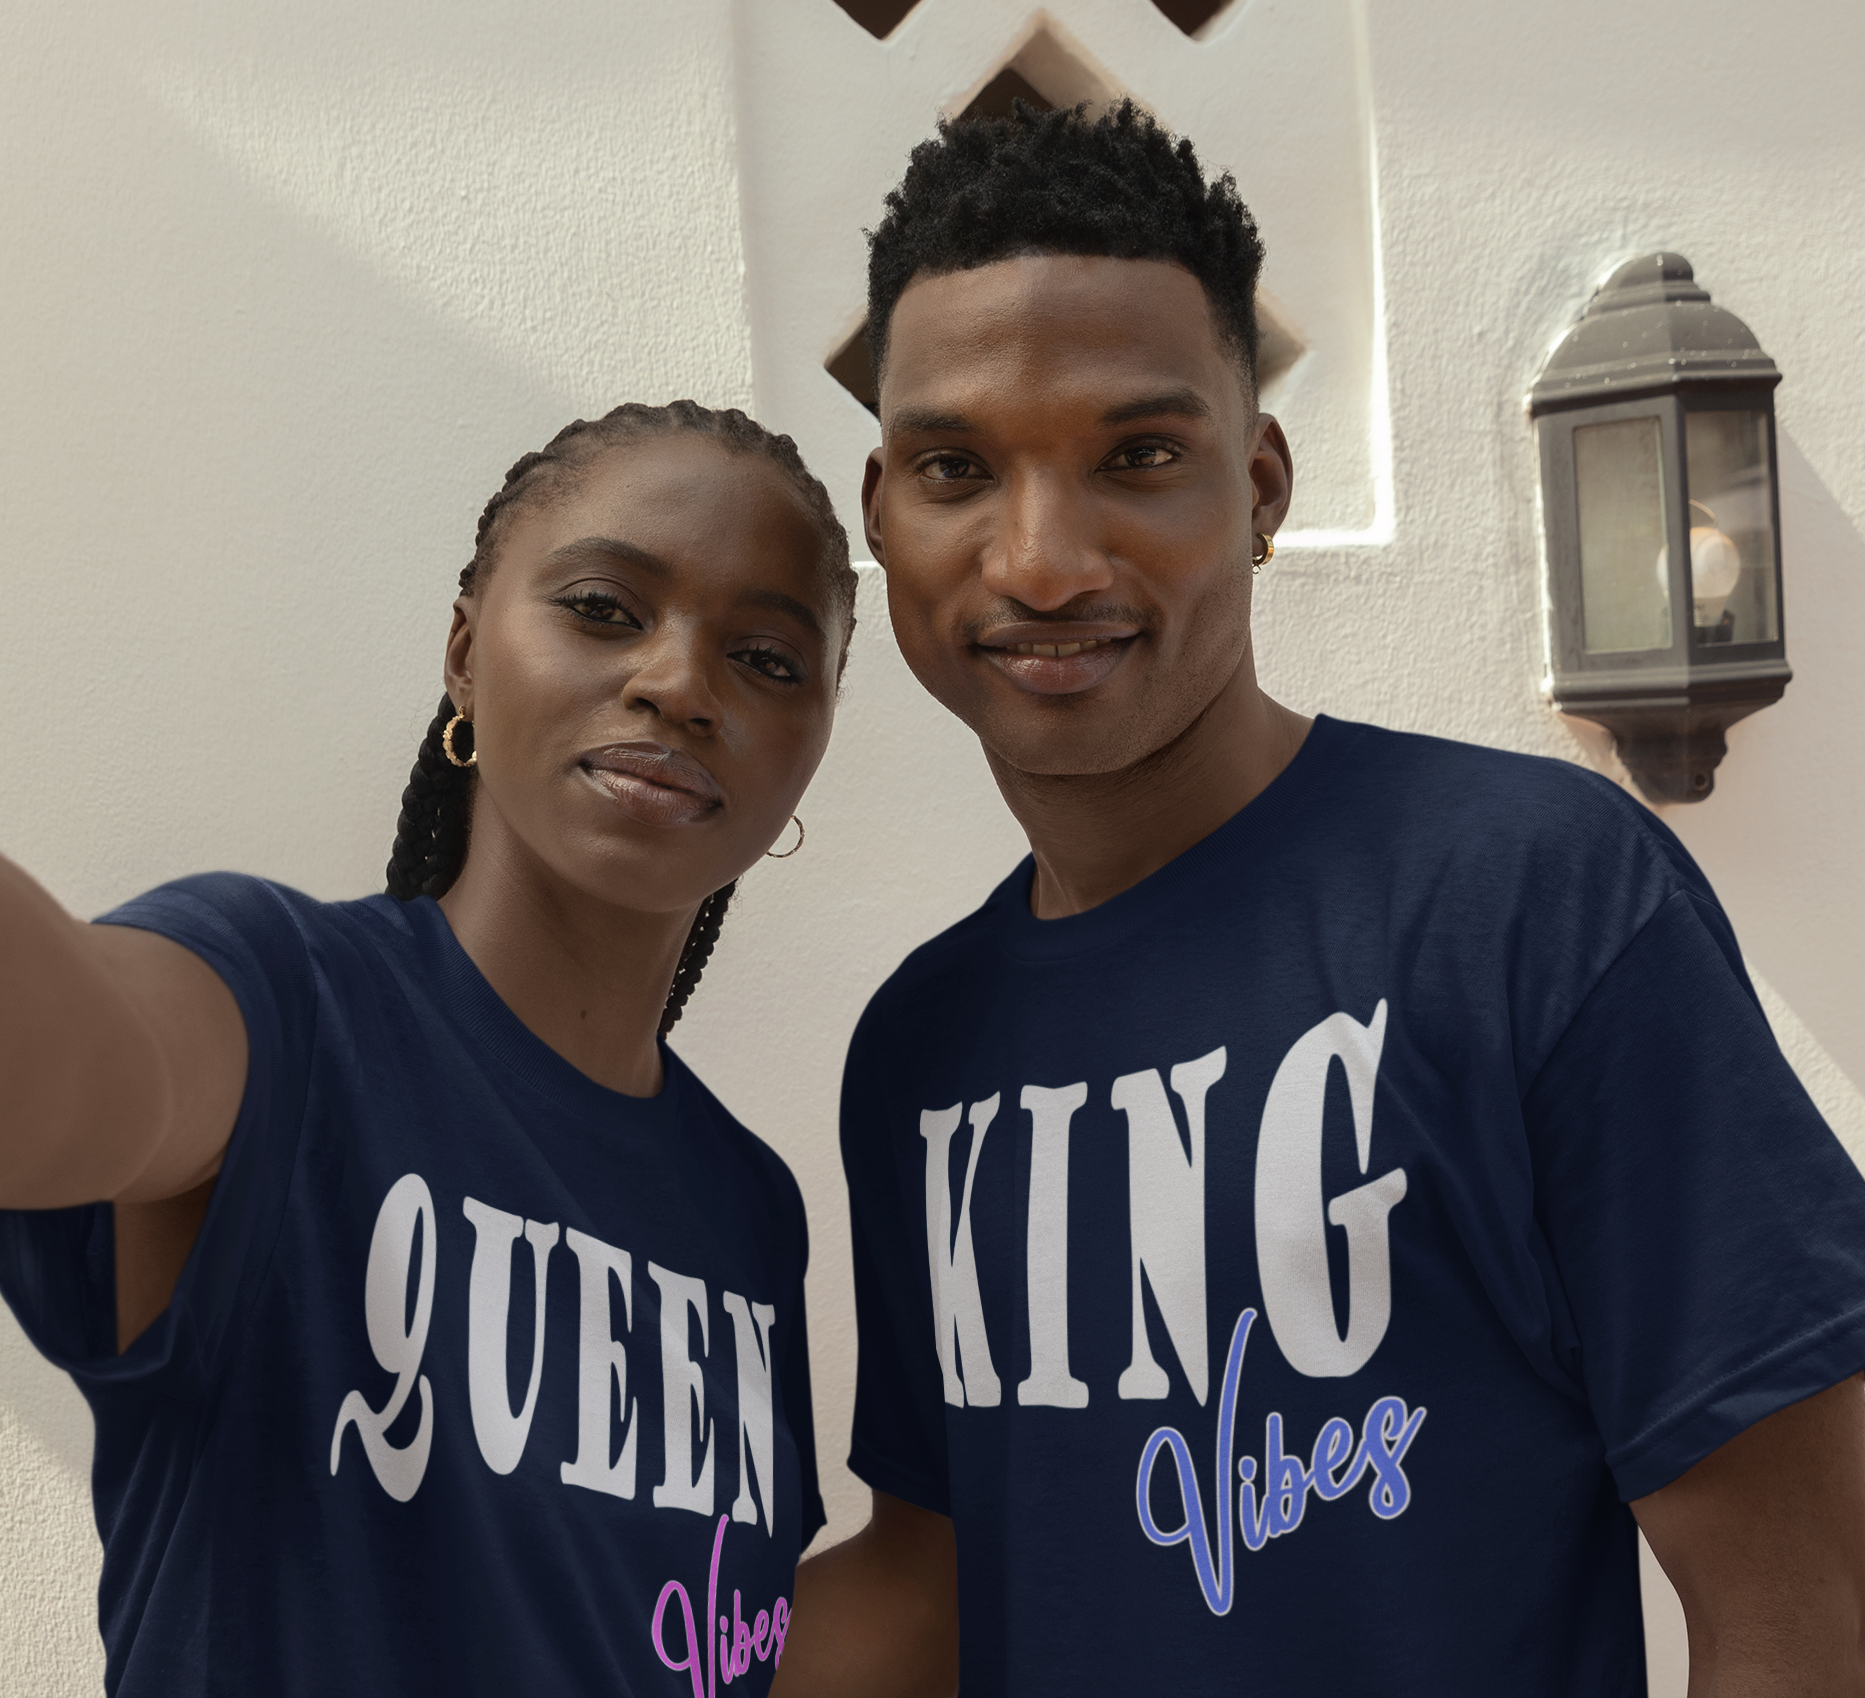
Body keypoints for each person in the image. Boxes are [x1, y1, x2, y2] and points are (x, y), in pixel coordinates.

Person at [774, 104, 1865, 1696]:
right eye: (957, 468)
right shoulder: (920, 1044)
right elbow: (931, 1590)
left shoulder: (1533, 900)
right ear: (883, 515)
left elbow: (1811, 1600)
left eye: (1138, 456)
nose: (1042, 560)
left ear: (1261, 485)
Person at [0, 400, 856, 1696]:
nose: (681, 684)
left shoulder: (750, 1207)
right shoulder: (289, 1005)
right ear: (465, 654)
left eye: (769, 660)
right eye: (604, 608)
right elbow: (74, 1056)